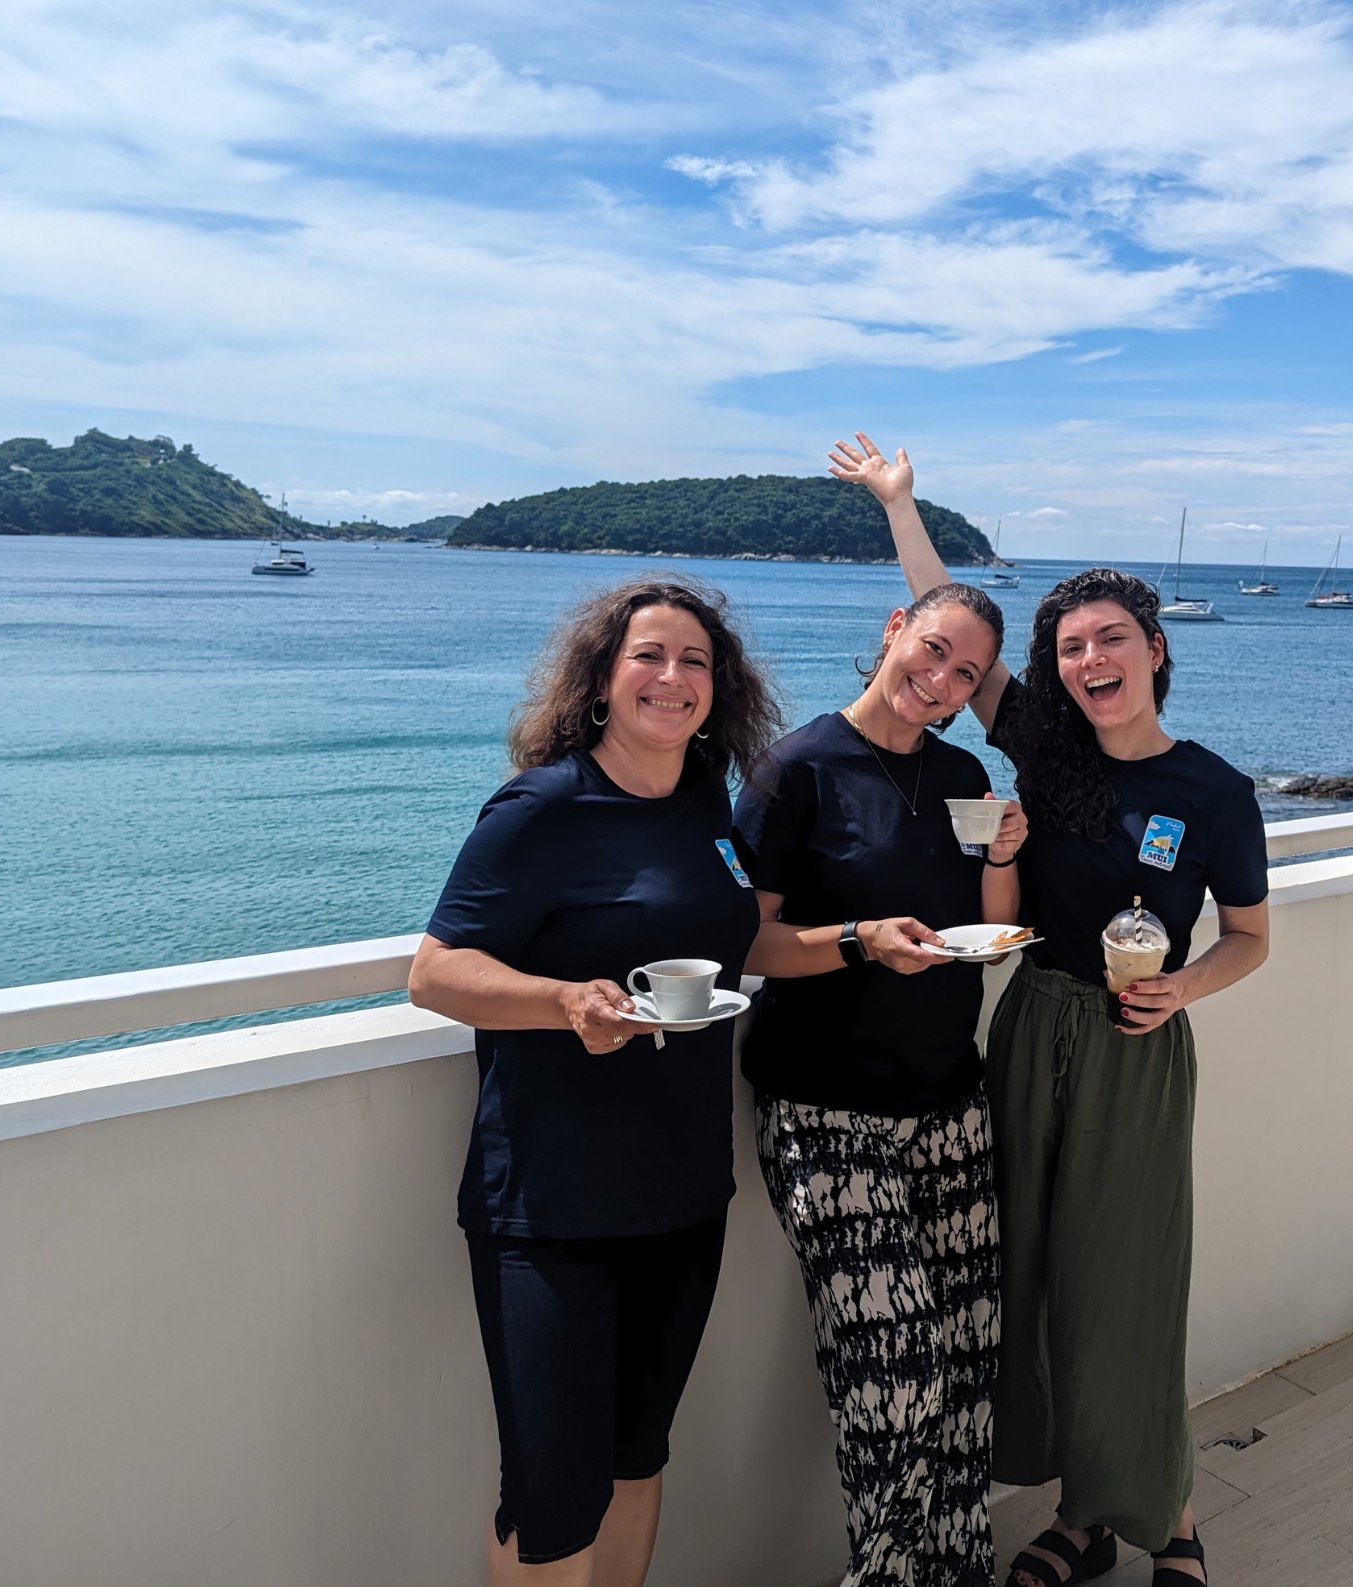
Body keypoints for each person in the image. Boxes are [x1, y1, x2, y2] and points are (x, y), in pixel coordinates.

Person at [831, 436, 1272, 1587]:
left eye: (1110, 639)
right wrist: (899, 504)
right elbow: (947, 637)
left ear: (1155, 651)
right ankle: (1082, 1518)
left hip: (1137, 1045)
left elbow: (1252, 937)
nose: (1088, 660)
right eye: (1070, 646)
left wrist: (1186, 985)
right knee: (1028, 1278)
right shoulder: (1044, 747)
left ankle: (1166, 1515)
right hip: (1032, 1025)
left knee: (1124, 1282)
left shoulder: (1214, 790)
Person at [407, 579, 782, 1587]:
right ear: (604, 681)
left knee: (636, 1457)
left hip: (684, 1191)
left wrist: (864, 939)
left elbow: (742, 942)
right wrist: (564, 1002)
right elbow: (436, 972)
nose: (673, 677)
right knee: (551, 1492)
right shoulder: (543, 808)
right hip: (552, 1207)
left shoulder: (706, 804)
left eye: (694, 660)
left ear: (719, 685)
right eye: (648, 657)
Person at [731, 581, 1028, 1586]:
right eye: (932, 650)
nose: (939, 681)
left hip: (949, 1101)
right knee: (890, 1384)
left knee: (966, 1370)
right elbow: (748, 945)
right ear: (893, 629)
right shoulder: (793, 770)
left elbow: (989, 927)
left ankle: (958, 1569)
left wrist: (1003, 856)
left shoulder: (963, 771)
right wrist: (857, 941)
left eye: (965, 673)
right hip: (823, 1110)